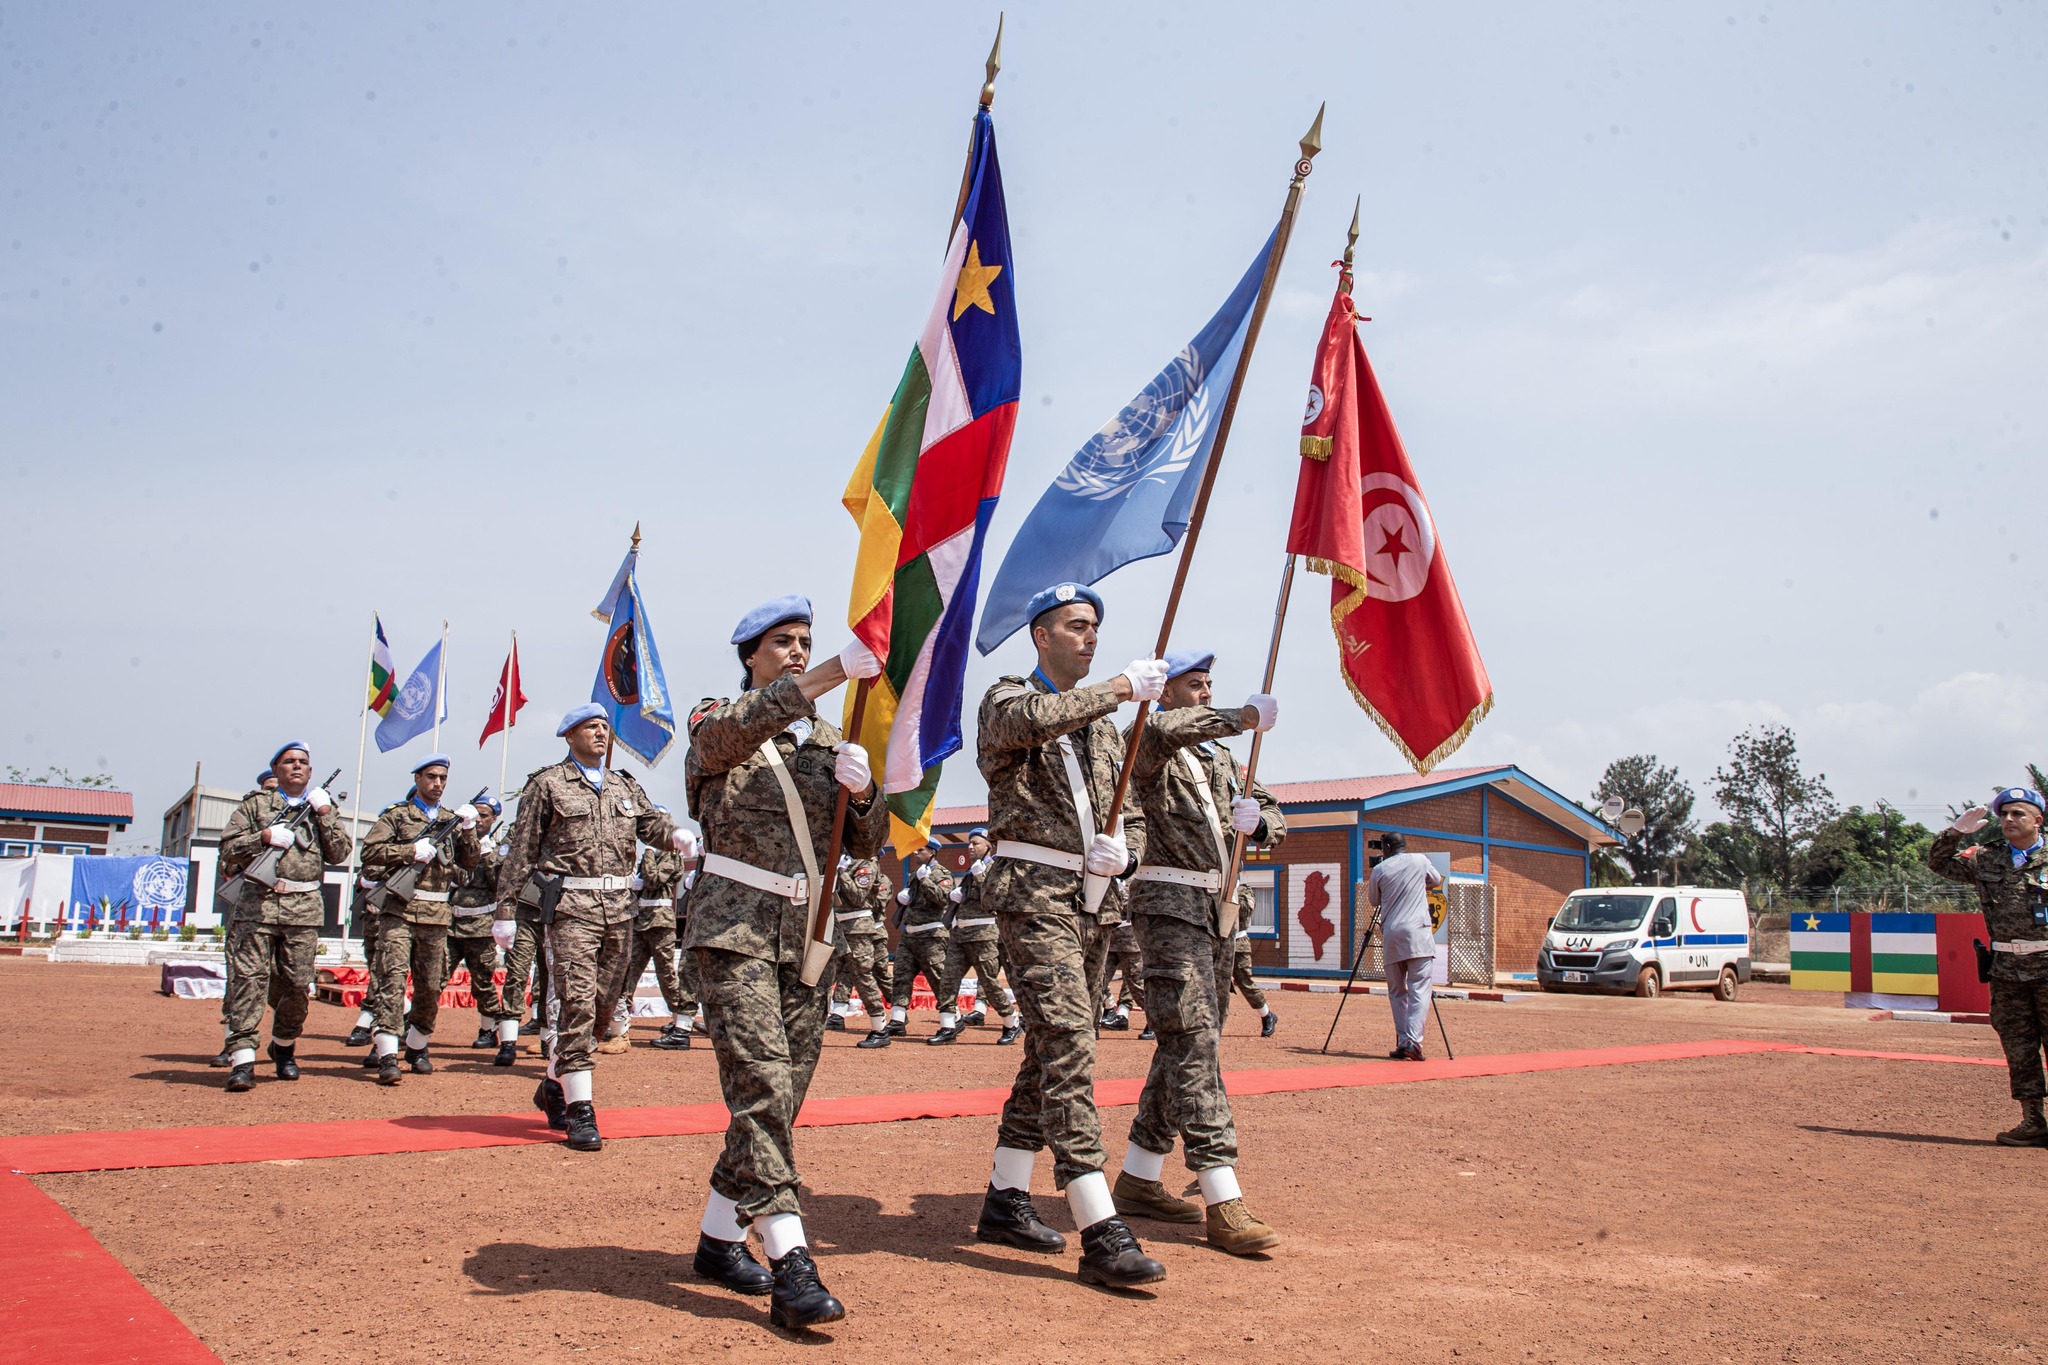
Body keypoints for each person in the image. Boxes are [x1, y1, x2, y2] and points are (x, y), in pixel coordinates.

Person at [684, 595, 886, 1329]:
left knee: (779, 1097)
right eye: (782, 642)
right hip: (733, 927)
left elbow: (864, 844)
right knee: (764, 1085)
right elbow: (732, 735)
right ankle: (792, 1261)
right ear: (750, 656)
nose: (797, 650)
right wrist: (831, 670)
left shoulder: (830, 738)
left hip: (808, 937)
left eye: (805, 640)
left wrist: (864, 794)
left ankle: (717, 1239)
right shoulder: (716, 719)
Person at [974, 581, 1167, 1289]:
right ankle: (1099, 1224)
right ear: (1041, 635)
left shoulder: (1105, 728)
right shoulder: (1005, 698)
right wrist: (1119, 687)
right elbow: (1032, 721)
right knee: (1069, 1046)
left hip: (1094, 902)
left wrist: (1128, 854)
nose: (1090, 637)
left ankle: (1005, 1195)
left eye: (1094, 627)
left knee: (1051, 1046)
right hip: (1034, 897)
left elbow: (1131, 809)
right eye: (1076, 626)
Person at [1108, 648, 1283, 1254]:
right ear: (1166, 692)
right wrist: (1242, 716)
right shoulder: (1149, 738)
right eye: (1195, 685)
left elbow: (1275, 813)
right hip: (1170, 907)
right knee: (1194, 1041)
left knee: (1186, 1043)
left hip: (1220, 911)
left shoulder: (1225, 759)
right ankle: (1221, 1192)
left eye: (1210, 684)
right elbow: (1168, 730)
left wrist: (1260, 823)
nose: (1206, 693)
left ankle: (1139, 1176)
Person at [494, 706, 687, 1151]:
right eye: (590, 727)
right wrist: (505, 910)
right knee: (577, 1002)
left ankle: (552, 1083)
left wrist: (674, 835)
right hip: (571, 910)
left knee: (603, 1009)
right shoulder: (548, 785)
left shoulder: (623, 785)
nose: (600, 733)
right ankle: (581, 1108)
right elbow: (522, 850)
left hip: (619, 912)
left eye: (604, 727)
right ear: (569, 735)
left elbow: (650, 825)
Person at [215, 742, 352, 1092]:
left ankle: (284, 1046)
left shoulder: (321, 807)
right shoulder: (255, 805)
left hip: (303, 911)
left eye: (303, 762)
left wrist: (325, 812)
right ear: (276, 769)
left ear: (310, 771)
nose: (297, 766)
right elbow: (228, 848)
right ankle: (243, 1059)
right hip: (257, 907)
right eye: (289, 761)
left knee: (297, 985)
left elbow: (340, 853)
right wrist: (263, 837)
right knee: (249, 982)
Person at [1929, 787, 2048, 1145]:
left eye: (2017, 814)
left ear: (2038, 820)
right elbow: (1939, 863)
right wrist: (1955, 833)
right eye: (2004, 814)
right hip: (2007, 970)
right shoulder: (1986, 858)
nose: (2008, 820)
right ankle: (2033, 1121)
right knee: (2018, 1046)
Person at [359, 755, 483, 1085]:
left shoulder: (450, 820)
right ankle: (387, 1054)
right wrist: (409, 851)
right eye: (431, 776)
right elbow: (369, 851)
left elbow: (469, 865)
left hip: (436, 916)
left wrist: (469, 830)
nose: (437, 783)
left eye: (443, 777)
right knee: (392, 980)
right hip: (399, 911)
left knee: (430, 986)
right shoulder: (397, 816)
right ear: (417, 779)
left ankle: (416, 1045)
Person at [213, 764, 288, 1068]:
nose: (272, 796)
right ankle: (234, 1043)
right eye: (268, 790)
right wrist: (258, 848)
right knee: (241, 981)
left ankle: (282, 1042)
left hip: (289, 914)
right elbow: (225, 862)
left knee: (285, 984)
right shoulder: (249, 818)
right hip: (249, 912)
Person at [609, 819, 701, 1052]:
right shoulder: (653, 855)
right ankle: (619, 1025)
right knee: (628, 973)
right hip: (641, 920)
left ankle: (679, 1022)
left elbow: (653, 878)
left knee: (666, 975)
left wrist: (648, 852)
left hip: (660, 923)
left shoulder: (671, 855)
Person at [444, 794, 518, 1065]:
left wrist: (486, 854)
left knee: (482, 981)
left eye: (484, 816)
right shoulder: (458, 844)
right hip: (451, 923)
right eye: (475, 815)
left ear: (494, 819)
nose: (478, 821)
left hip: (481, 926)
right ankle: (415, 1025)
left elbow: (498, 883)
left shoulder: (496, 850)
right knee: (436, 975)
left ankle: (488, 1028)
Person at [937, 829, 1022, 1045]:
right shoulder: (970, 870)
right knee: (947, 981)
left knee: (989, 983)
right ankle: (948, 1026)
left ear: (988, 846)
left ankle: (1011, 1022)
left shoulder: (995, 868)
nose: (970, 847)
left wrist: (981, 876)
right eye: (969, 843)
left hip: (983, 935)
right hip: (960, 934)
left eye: (975, 843)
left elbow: (996, 899)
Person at [1367, 830, 1444, 1061]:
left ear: (1387, 848)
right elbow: (1436, 880)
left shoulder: (1380, 869)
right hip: (1418, 934)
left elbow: (1374, 900)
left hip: (1393, 934)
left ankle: (1403, 1041)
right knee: (1419, 988)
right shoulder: (1420, 860)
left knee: (1397, 991)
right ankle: (1413, 1041)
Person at [888, 844, 956, 1040]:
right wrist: (902, 899)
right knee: (901, 976)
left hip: (931, 936)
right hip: (909, 935)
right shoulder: (914, 875)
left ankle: (949, 1025)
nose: (915, 853)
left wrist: (925, 881)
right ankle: (897, 1021)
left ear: (932, 852)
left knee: (938, 979)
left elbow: (942, 899)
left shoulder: (942, 874)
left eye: (920, 850)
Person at [830, 855, 895, 1047]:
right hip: (837, 927)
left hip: (858, 928)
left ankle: (880, 1029)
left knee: (863, 977)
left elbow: (858, 897)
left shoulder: (867, 865)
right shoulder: (846, 861)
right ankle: (832, 1016)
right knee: (828, 975)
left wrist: (842, 873)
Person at [1230, 883, 1278, 1037]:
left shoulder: (1244, 890)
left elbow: (1245, 911)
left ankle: (1267, 1015)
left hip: (1238, 943)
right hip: (1218, 943)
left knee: (1245, 982)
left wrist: (1230, 891)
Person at [1099, 916, 1146, 1036]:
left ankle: (1155, 1022)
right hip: (1107, 937)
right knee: (1098, 982)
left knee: (1137, 985)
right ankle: (1092, 1026)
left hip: (1130, 939)